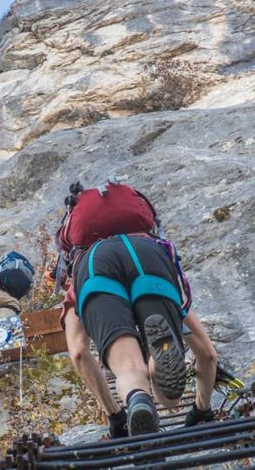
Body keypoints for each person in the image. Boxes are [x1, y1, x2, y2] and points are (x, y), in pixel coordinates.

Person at [57, 180, 218, 437]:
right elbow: (208, 355)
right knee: (170, 400)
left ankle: (137, 400)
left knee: (129, 368)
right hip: (148, 256)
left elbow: (78, 353)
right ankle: (158, 363)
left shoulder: (77, 268)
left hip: (96, 266)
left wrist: (114, 415)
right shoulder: (152, 241)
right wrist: (202, 410)